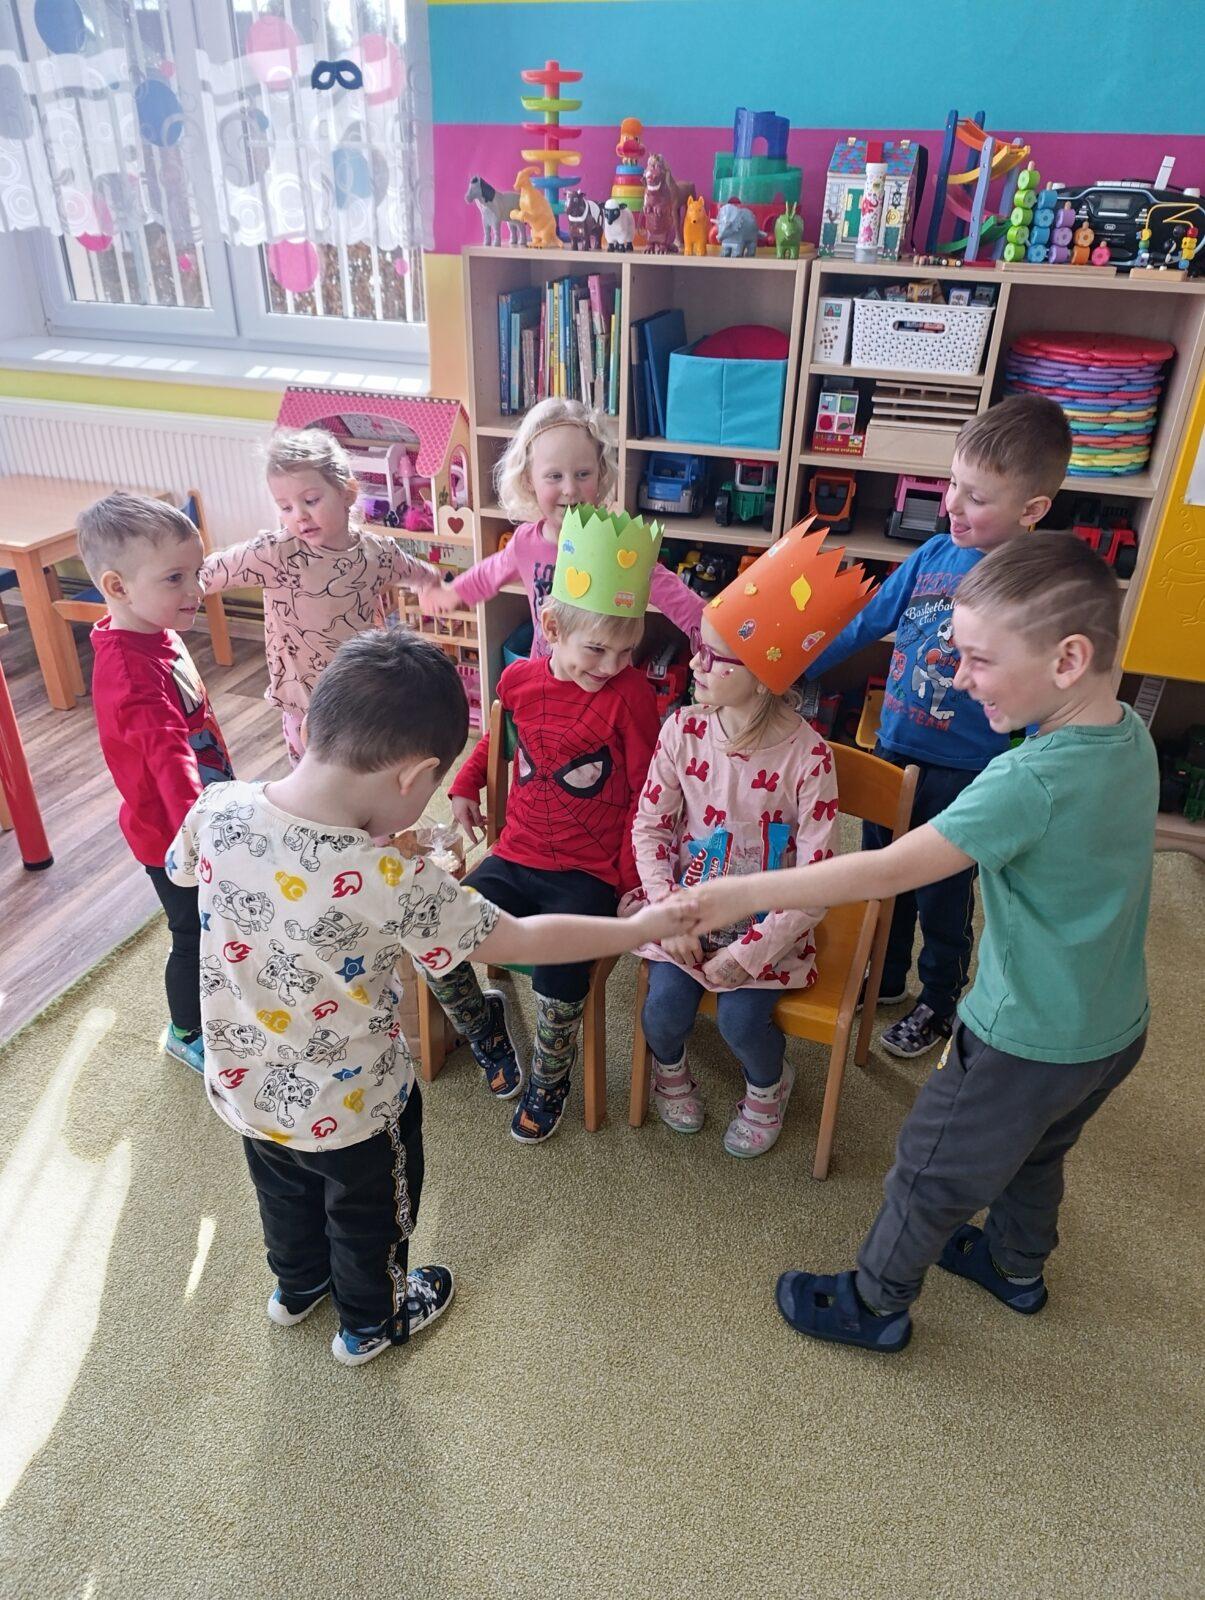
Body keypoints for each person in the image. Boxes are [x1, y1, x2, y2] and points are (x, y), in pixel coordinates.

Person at [165, 628, 695, 1367]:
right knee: (371, 1216)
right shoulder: (390, 879)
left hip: (246, 1085)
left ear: (315, 721)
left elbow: (181, 869)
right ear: (414, 777)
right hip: (353, 1106)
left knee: (281, 1192)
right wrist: (635, 927)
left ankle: (296, 1287)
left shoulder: (219, 806)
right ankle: (371, 1323)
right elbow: (517, 938)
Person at [691, 535, 1156, 1353]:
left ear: (1067, 659)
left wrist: (741, 893)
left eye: (978, 659)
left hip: (1022, 1038)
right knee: (1039, 1152)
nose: (958, 676)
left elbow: (884, 870)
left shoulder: (1024, 780)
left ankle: (874, 1305)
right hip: (1113, 1027)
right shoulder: (1129, 735)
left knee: (927, 1167)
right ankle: (1014, 1266)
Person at [805, 394, 1072, 1060]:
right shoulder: (930, 555)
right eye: (952, 483)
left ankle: (939, 998)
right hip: (893, 750)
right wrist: (794, 666)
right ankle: (888, 975)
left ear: (1032, 509)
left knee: (942, 893)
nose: (951, 503)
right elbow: (867, 623)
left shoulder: (1031, 587)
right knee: (883, 876)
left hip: (967, 772)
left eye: (976, 497)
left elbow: (1045, 691)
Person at [431, 504, 664, 1144]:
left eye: (626, 650)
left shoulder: (631, 696)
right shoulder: (519, 679)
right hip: (516, 854)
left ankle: (550, 1077)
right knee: (435, 931)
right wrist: (464, 785)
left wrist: (630, 881)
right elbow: (497, 739)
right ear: (553, 627)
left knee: (561, 976)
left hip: (589, 872)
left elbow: (647, 792)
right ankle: (486, 1030)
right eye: (597, 648)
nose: (611, 665)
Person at [627, 568, 841, 1158]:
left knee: (741, 1023)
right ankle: (670, 1071)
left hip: (768, 927)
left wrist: (750, 953)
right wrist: (668, 911)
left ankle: (769, 1087)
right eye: (699, 647)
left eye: (715, 657)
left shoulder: (811, 757)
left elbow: (817, 883)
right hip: (686, 912)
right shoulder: (683, 729)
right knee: (662, 1013)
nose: (694, 663)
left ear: (766, 676)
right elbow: (650, 827)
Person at [79, 491, 235, 1074]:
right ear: (117, 587)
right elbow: (170, 763)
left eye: (196, 571)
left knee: (218, 923)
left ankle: (222, 1002)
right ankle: (186, 1030)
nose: (196, 589)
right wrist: (204, 836)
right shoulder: (129, 674)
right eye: (175, 578)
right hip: (173, 837)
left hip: (203, 815)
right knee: (192, 932)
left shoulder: (157, 631)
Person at [200, 427, 442, 764]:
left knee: (365, 771)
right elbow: (207, 573)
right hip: (304, 705)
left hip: (363, 694)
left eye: (311, 500)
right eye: (285, 507)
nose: (298, 515)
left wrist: (434, 586)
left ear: (347, 493)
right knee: (311, 782)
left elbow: (417, 571)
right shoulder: (275, 553)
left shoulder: (377, 552)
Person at [422, 396, 704, 650]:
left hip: (600, 679)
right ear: (528, 480)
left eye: (583, 474)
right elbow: (488, 574)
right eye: (554, 476)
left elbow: (672, 593)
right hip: (544, 678)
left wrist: (712, 629)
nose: (570, 489)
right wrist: (450, 593)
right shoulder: (525, 543)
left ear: (600, 473)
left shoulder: (616, 545)